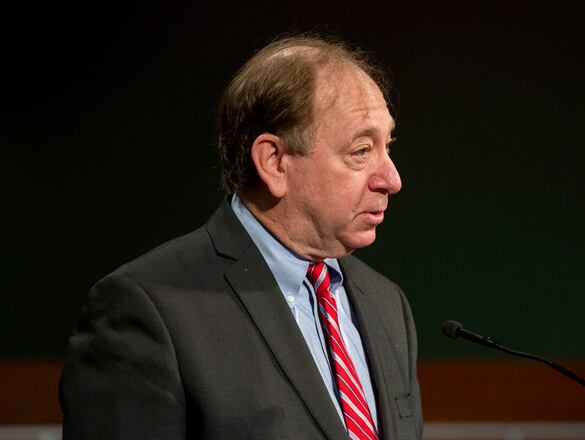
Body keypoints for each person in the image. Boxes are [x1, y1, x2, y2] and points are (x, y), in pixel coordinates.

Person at [60, 35, 422, 440]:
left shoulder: (387, 306)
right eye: (361, 151)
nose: (392, 179)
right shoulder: (146, 312)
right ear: (274, 162)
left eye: (386, 146)